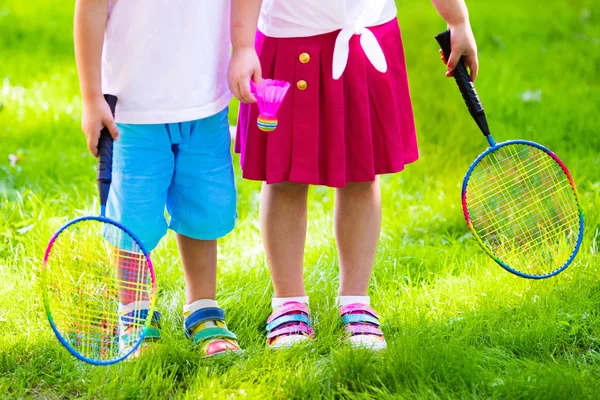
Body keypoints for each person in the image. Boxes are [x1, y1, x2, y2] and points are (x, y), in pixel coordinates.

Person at [228, 0, 478, 348]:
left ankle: (355, 301)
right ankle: (288, 303)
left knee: (361, 173)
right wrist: (241, 47)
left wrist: (458, 20)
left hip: (367, 37)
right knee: (284, 176)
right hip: (289, 38)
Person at [74, 0, 240, 357]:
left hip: (206, 104)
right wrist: (91, 98)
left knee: (203, 211)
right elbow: (89, 9)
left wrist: (243, 48)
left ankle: (203, 308)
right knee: (132, 218)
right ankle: (135, 315)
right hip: (132, 112)